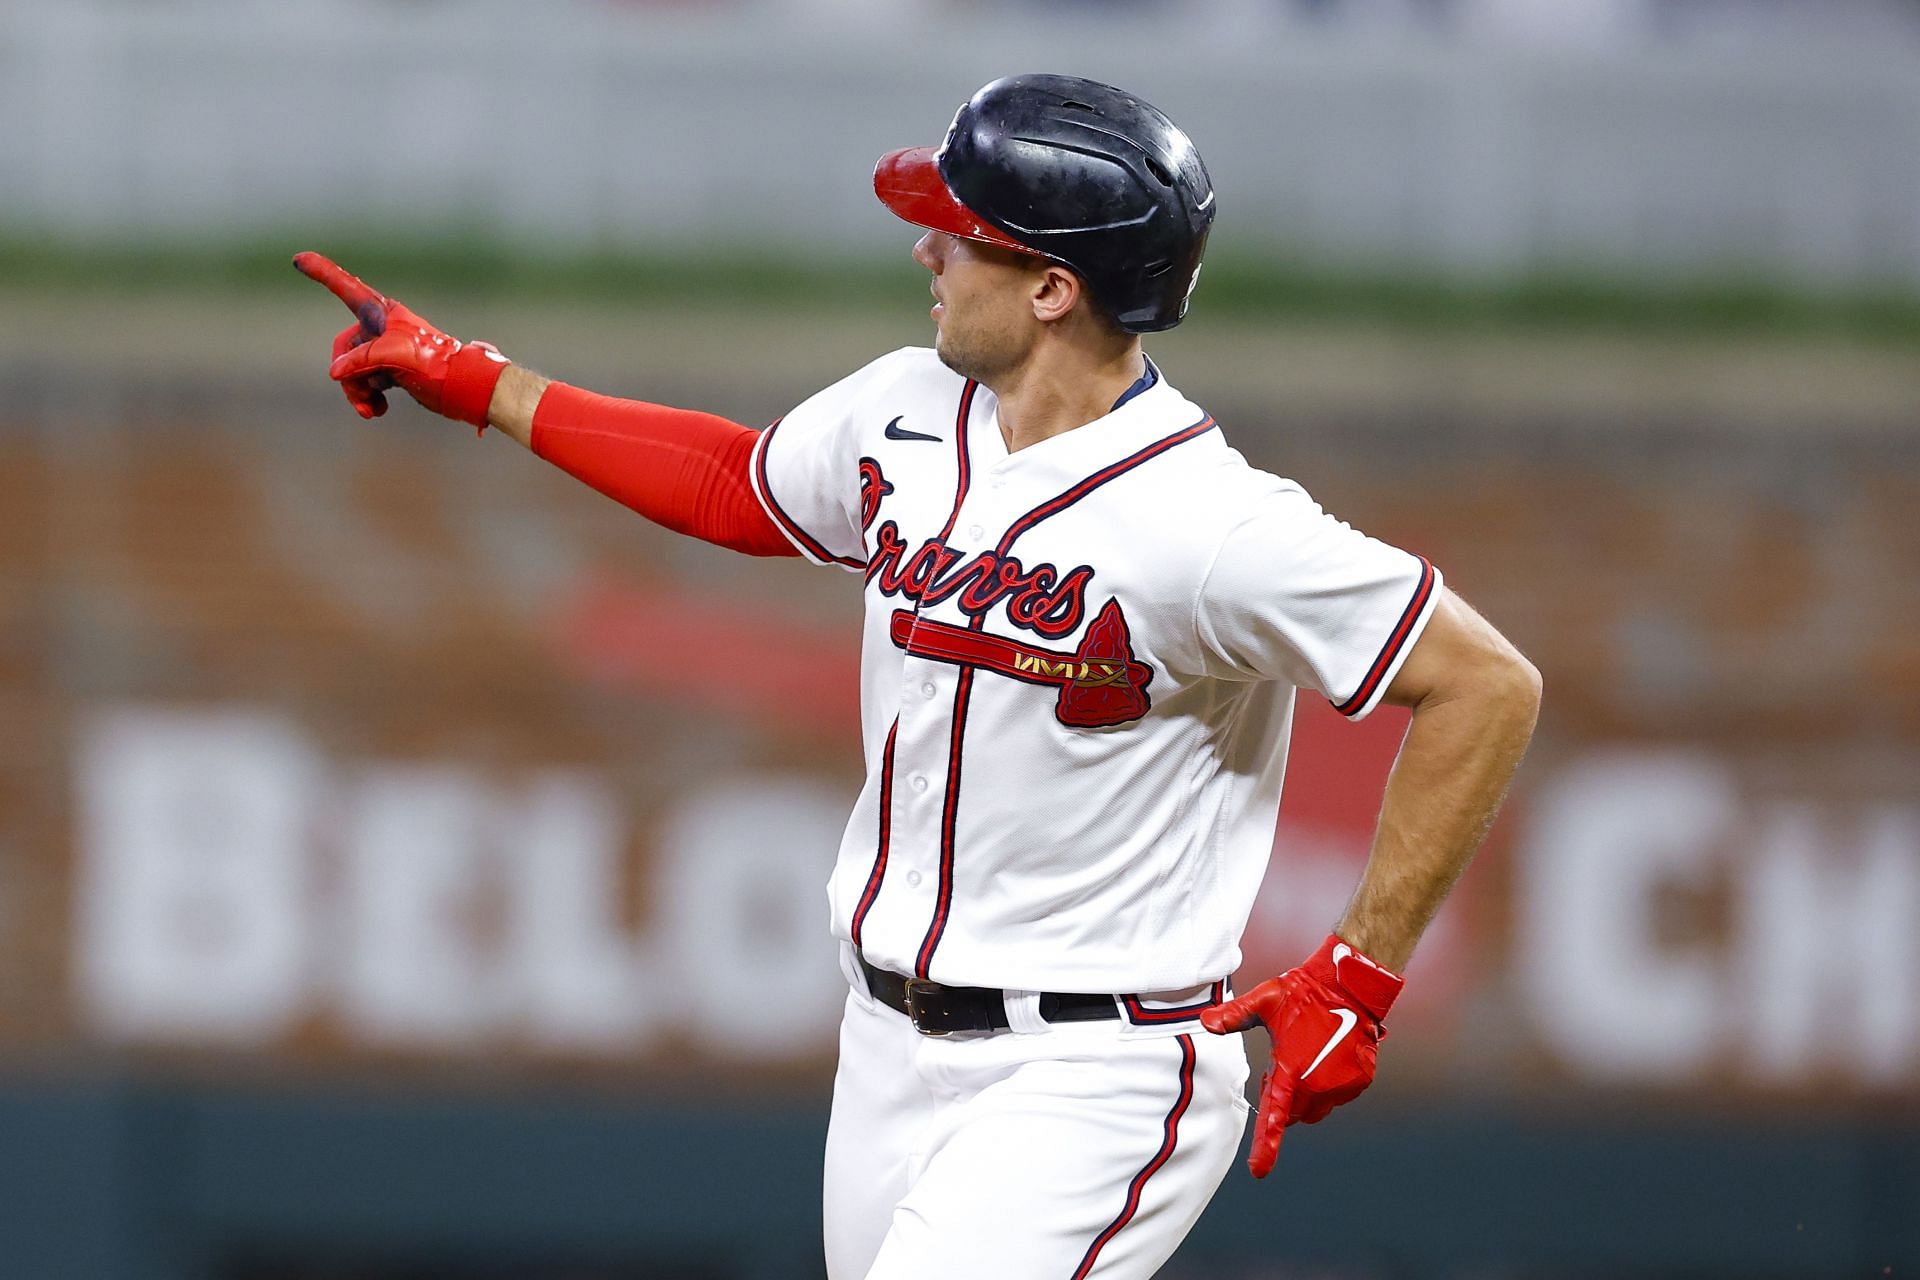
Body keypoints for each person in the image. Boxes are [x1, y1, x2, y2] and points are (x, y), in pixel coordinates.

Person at [295, 73, 1540, 1280]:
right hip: (888, 1045)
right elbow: (741, 485)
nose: (926, 253)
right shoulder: (912, 408)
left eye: (960, 236)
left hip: (1095, 1066)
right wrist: (478, 381)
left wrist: (1360, 973)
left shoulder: (1212, 525)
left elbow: (1486, 682)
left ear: (1054, 289)